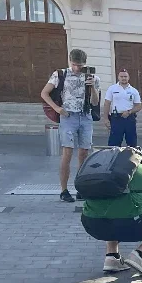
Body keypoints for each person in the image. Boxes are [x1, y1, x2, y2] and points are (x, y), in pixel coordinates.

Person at [41, 49, 101, 203]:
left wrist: (92, 86)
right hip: (68, 116)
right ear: (70, 62)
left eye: (79, 66)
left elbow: (95, 102)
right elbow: (44, 93)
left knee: (84, 153)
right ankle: (64, 190)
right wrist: (57, 108)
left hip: (85, 116)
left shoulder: (92, 77)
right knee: (67, 152)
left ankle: (80, 187)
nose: (76, 68)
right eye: (74, 65)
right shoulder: (60, 74)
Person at [103, 68, 142, 147]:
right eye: (121, 76)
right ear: (118, 77)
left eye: (125, 76)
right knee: (114, 144)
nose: (123, 78)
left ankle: (131, 159)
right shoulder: (112, 89)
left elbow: (139, 106)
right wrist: (105, 118)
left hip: (129, 118)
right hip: (116, 118)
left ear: (128, 77)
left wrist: (129, 111)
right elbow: (107, 104)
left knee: (132, 143)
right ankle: (113, 159)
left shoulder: (133, 91)